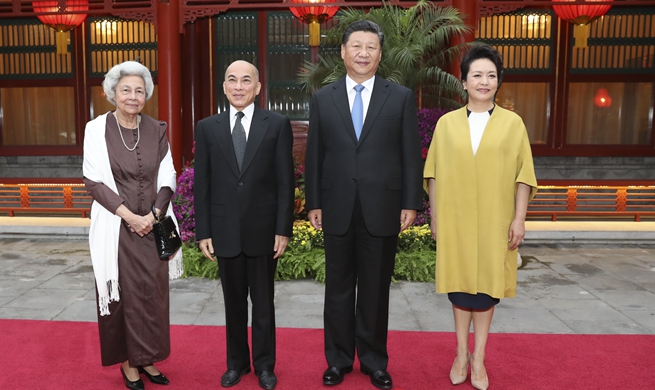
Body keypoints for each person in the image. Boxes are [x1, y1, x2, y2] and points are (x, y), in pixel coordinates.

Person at [305, 20, 423, 390]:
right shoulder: (323, 98)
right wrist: (314, 202)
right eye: (356, 46)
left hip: (382, 206)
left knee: (375, 289)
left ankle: (374, 361)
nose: (363, 53)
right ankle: (337, 361)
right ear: (342, 52)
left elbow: (409, 154)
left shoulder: (400, 96)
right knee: (337, 288)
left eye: (371, 47)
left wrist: (410, 202)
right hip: (337, 206)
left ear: (380, 54)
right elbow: (314, 156)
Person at [423, 44, 538, 390]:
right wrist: (435, 219)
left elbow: (524, 176)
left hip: (495, 220)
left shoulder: (513, 124)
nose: (484, 81)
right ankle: (460, 354)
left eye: (491, 75)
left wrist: (519, 219)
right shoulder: (446, 124)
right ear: (464, 81)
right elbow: (434, 175)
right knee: (459, 289)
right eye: (477, 75)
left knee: (487, 291)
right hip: (455, 219)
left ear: (498, 81)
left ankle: (480, 359)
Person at [194, 60, 294, 390]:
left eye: (246, 80)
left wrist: (283, 228)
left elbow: (284, 181)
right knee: (233, 303)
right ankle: (236, 364)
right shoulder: (207, 127)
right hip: (224, 231)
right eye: (232, 80)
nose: (239, 86)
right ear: (224, 87)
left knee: (263, 304)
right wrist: (204, 231)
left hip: (264, 232)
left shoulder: (277, 124)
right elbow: (202, 184)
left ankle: (265, 366)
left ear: (258, 87)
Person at [83, 61, 183, 390]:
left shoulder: (157, 129)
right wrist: (130, 216)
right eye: (125, 90)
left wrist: (154, 215)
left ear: (147, 96)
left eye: (139, 91)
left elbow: (168, 174)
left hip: (152, 228)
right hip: (117, 228)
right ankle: (128, 363)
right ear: (112, 93)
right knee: (122, 297)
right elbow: (93, 181)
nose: (132, 96)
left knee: (152, 296)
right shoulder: (96, 129)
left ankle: (147, 358)